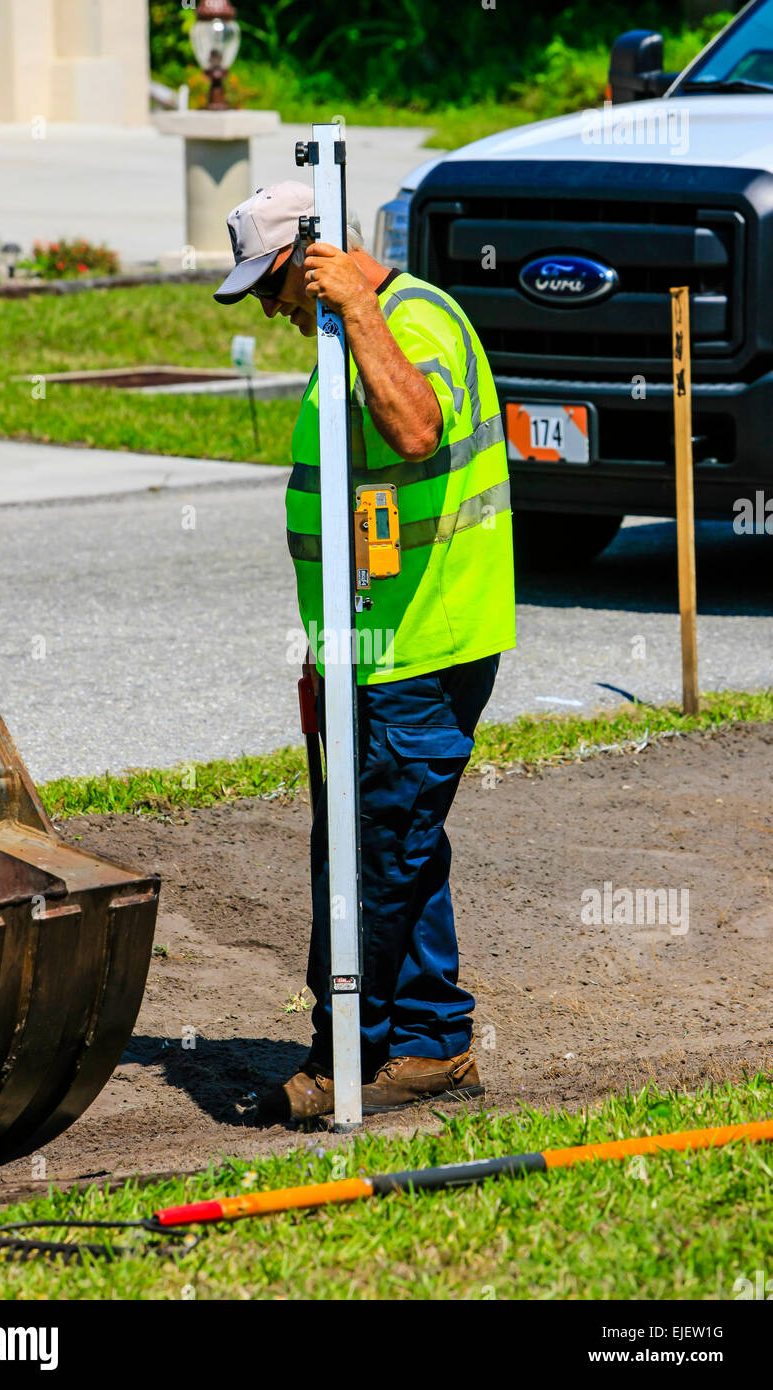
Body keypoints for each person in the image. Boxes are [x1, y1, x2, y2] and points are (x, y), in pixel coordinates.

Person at [214, 181, 515, 1120]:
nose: (268, 307)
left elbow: (415, 429)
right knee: (401, 840)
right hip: (368, 648)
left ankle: (347, 1050)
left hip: (424, 648)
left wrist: (353, 302)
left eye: (272, 284)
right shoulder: (344, 331)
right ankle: (432, 1042)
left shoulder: (406, 321)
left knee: (370, 850)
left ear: (316, 257)